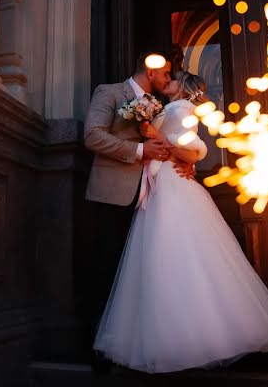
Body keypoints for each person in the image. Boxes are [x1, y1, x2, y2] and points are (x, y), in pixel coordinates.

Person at [93, 71, 268, 373]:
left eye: (174, 80)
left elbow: (193, 149)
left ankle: (183, 338)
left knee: (174, 256)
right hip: (163, 184)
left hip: (173, 189)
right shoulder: (170, 108)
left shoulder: (182, 109)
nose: (169, 82)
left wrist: (163, 141)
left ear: (184, 89)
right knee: (169, 259)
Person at [83, 52, 182, 372]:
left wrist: (181, 160)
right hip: (113, 195)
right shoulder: (109, 92)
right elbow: (93, 135)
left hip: (151, 200)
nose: (169, 78)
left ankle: (133, 347)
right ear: (151, 71)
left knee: (138, 276)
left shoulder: (158, 105)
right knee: (105, 273)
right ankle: (99, 351)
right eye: (166, 72)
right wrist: (139, 151)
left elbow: (164, 143)